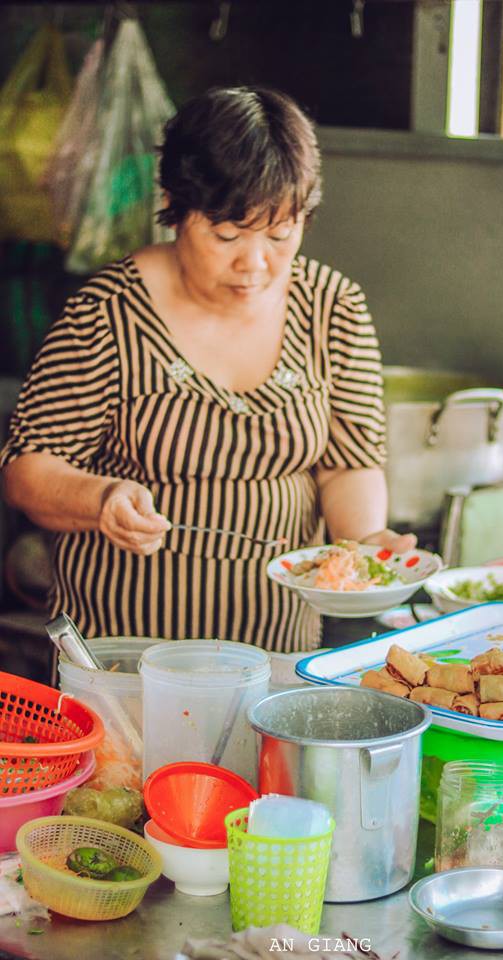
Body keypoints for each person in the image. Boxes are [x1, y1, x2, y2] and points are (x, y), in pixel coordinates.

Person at [0, 85, 415, 652]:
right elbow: (28, 470)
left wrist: (365, 545)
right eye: (226, 235)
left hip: (276, 650)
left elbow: (348, 464)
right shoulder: (107, 311)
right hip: (125, 655)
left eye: (279, 233)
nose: (255, 262)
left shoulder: (331, 306)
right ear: (175, 206)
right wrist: (102, 499)